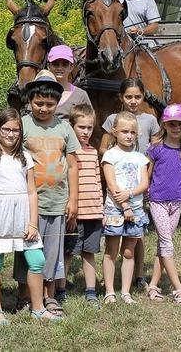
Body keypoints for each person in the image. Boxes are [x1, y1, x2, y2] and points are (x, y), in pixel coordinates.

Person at [0, 108, 61, 324]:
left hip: (22, 215)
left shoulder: (26, 158)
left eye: (15, 130)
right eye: (6, 129)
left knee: (37, 260)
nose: (11, 134)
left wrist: (33, 223)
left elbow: (32, 192)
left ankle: (38, 308)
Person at [13, 70, 80, 317]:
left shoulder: (64, 127)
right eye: (38, 103)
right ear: (30, 101)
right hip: (29, 202)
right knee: (26, 251)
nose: (43, 108)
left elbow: (72, 164)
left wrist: (73, 199)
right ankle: (24, 296)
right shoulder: (23, 125)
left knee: (53, 252)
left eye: (49, 104)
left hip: (56, 201)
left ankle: (48, 296)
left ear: (57, 104)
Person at [100, 77, 159, 289]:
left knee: (137, 232)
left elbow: (153, 152)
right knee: (118, 236)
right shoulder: (112, 119)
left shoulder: (150, 120)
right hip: (119, 180)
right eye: (128, 97)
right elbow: (103, 148)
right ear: (121, 97)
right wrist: (114, 161)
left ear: (143, 97)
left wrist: (147, 180)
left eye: (137, 96)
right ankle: (112, 281)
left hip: (139, 182)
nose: (133, 101)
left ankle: (139, 274)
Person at [145, 104, 181, 305]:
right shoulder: (155, 149)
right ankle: (179, 289)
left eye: (180, 124)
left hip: (177, 201)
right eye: (172, 124)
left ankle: (153, 286)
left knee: (163, 244)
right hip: (157, 200)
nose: (176, 128)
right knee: (167, 243)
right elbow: (147, 174)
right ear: (164, 125)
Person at [101, 111, 150, 305]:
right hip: (115, 210)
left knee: (129, 252)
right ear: (114, 132)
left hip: (136, 209)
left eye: (132, 132)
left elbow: (145, 183)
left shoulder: (140, 157)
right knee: (111, 251)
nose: (129, 135)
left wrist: (129, 196)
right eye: (124, 131)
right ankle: (110, 291)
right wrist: (124, 205)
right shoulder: (110, 155)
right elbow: (111, 185)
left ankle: (126, 291)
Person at [63, 104, 104, 309]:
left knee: (89, 253)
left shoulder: (93, 152)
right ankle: (60, 290)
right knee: (69, 252)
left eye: (89, 128)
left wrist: (101, 209)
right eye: (81, 127)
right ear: (71, 127)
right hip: (74, 214)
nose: (86, 132)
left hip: (93, 213)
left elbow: (97, 181)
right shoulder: (68, 153)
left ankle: (90, 291)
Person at [46, 45, 92, 120]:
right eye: (55, 64)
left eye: (65, 64)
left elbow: (88, 122)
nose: (60, 68)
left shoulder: (80, 95)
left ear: (71, 67)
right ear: (48, 66)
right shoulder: (38, 92)